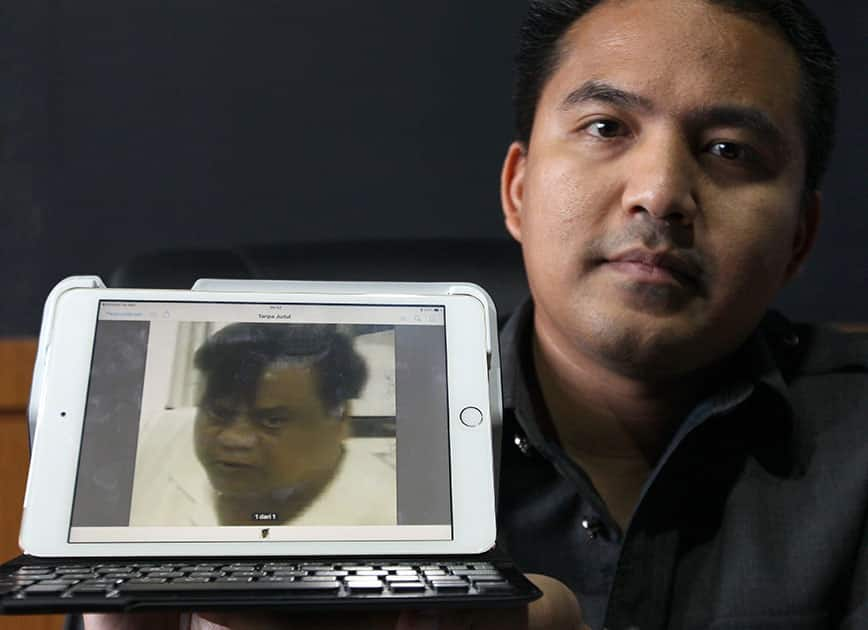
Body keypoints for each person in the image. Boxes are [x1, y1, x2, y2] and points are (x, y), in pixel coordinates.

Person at [84, 0, 866, 628]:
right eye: (605, 128)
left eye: (729, 150)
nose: (658, 191)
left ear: (798, 237)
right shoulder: (327, 462)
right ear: (519, 190)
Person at [128, 323, 397, 527]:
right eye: (219, 413)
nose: (235, 439)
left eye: (272, 421)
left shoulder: (390, 515)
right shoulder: (151, 437)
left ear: (340, 419)